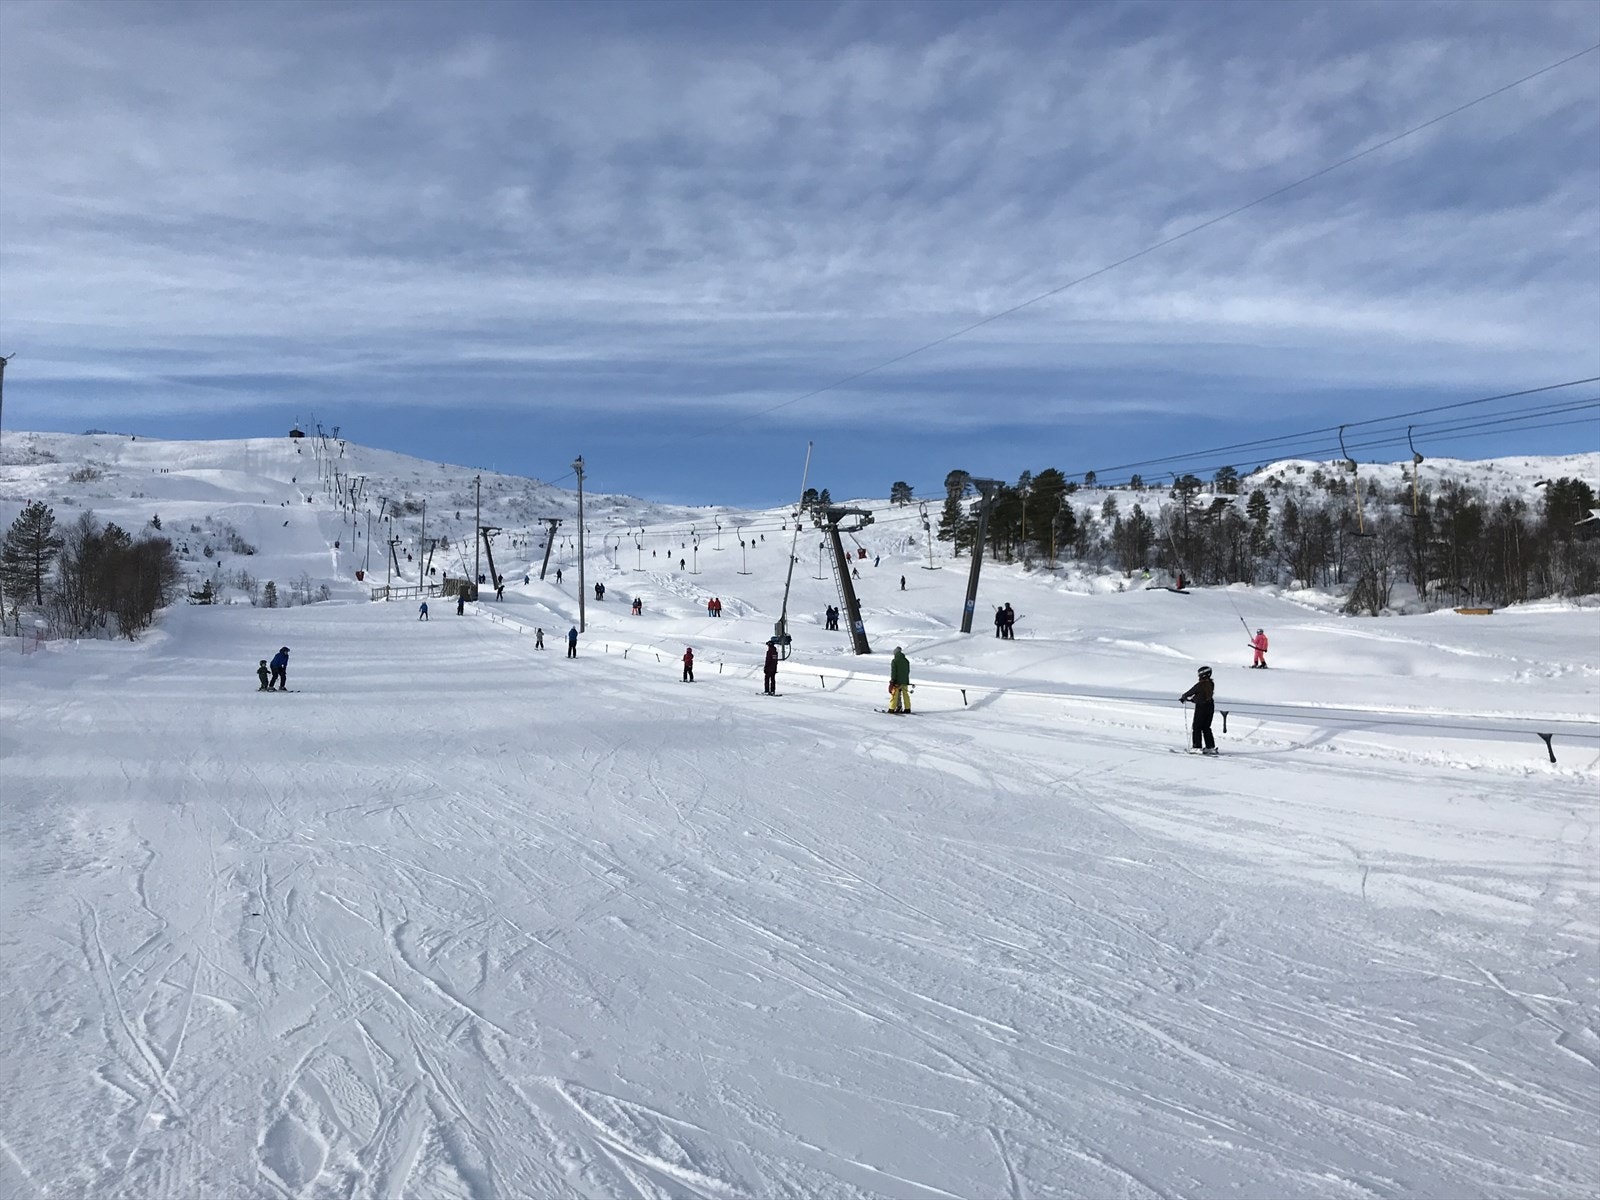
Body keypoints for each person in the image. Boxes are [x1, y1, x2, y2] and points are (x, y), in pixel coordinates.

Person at [1180, 666, 1218, 754]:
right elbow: (1202, 696)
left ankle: (1197, 747)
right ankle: (1210, 746)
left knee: (1197, 727)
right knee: (1206, 727)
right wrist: (1193, 699)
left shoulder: (1200, 685)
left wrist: (1184, 697)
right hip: (1210, 707)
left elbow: (1191, 693)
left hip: (1201, 708)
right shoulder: (1211, 684)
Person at [888, 645, 912, 714]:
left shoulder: (894, 661)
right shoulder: (906, 661)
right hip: (905, 681)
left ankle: (891, 709)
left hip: (897, 681)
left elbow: (893, 672)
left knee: (894, 695)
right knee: (905, 695)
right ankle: (908, 708)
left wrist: (893, 680)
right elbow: (908, 671)